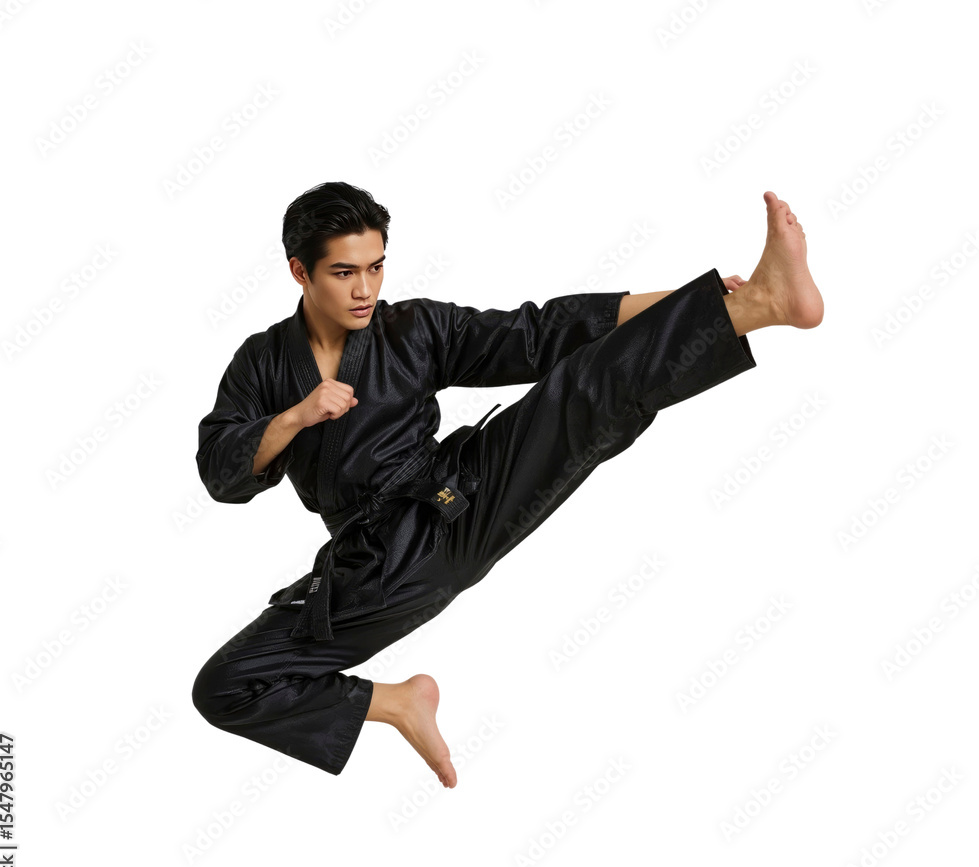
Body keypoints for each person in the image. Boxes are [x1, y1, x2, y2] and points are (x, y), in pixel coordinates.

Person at [191, 181, 823, 788]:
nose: (366, 289)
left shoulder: (412, 328)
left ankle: (758, 306)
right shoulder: (261, 362)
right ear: (299, 272)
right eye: (344, 272)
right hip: (373, 566)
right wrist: (295, 417)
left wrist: (696, 301)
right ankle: (400, 703)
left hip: (460, 496)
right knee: (221, 686)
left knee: (578, 391)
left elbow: (540, 332)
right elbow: (221, 471)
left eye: (376, 267)